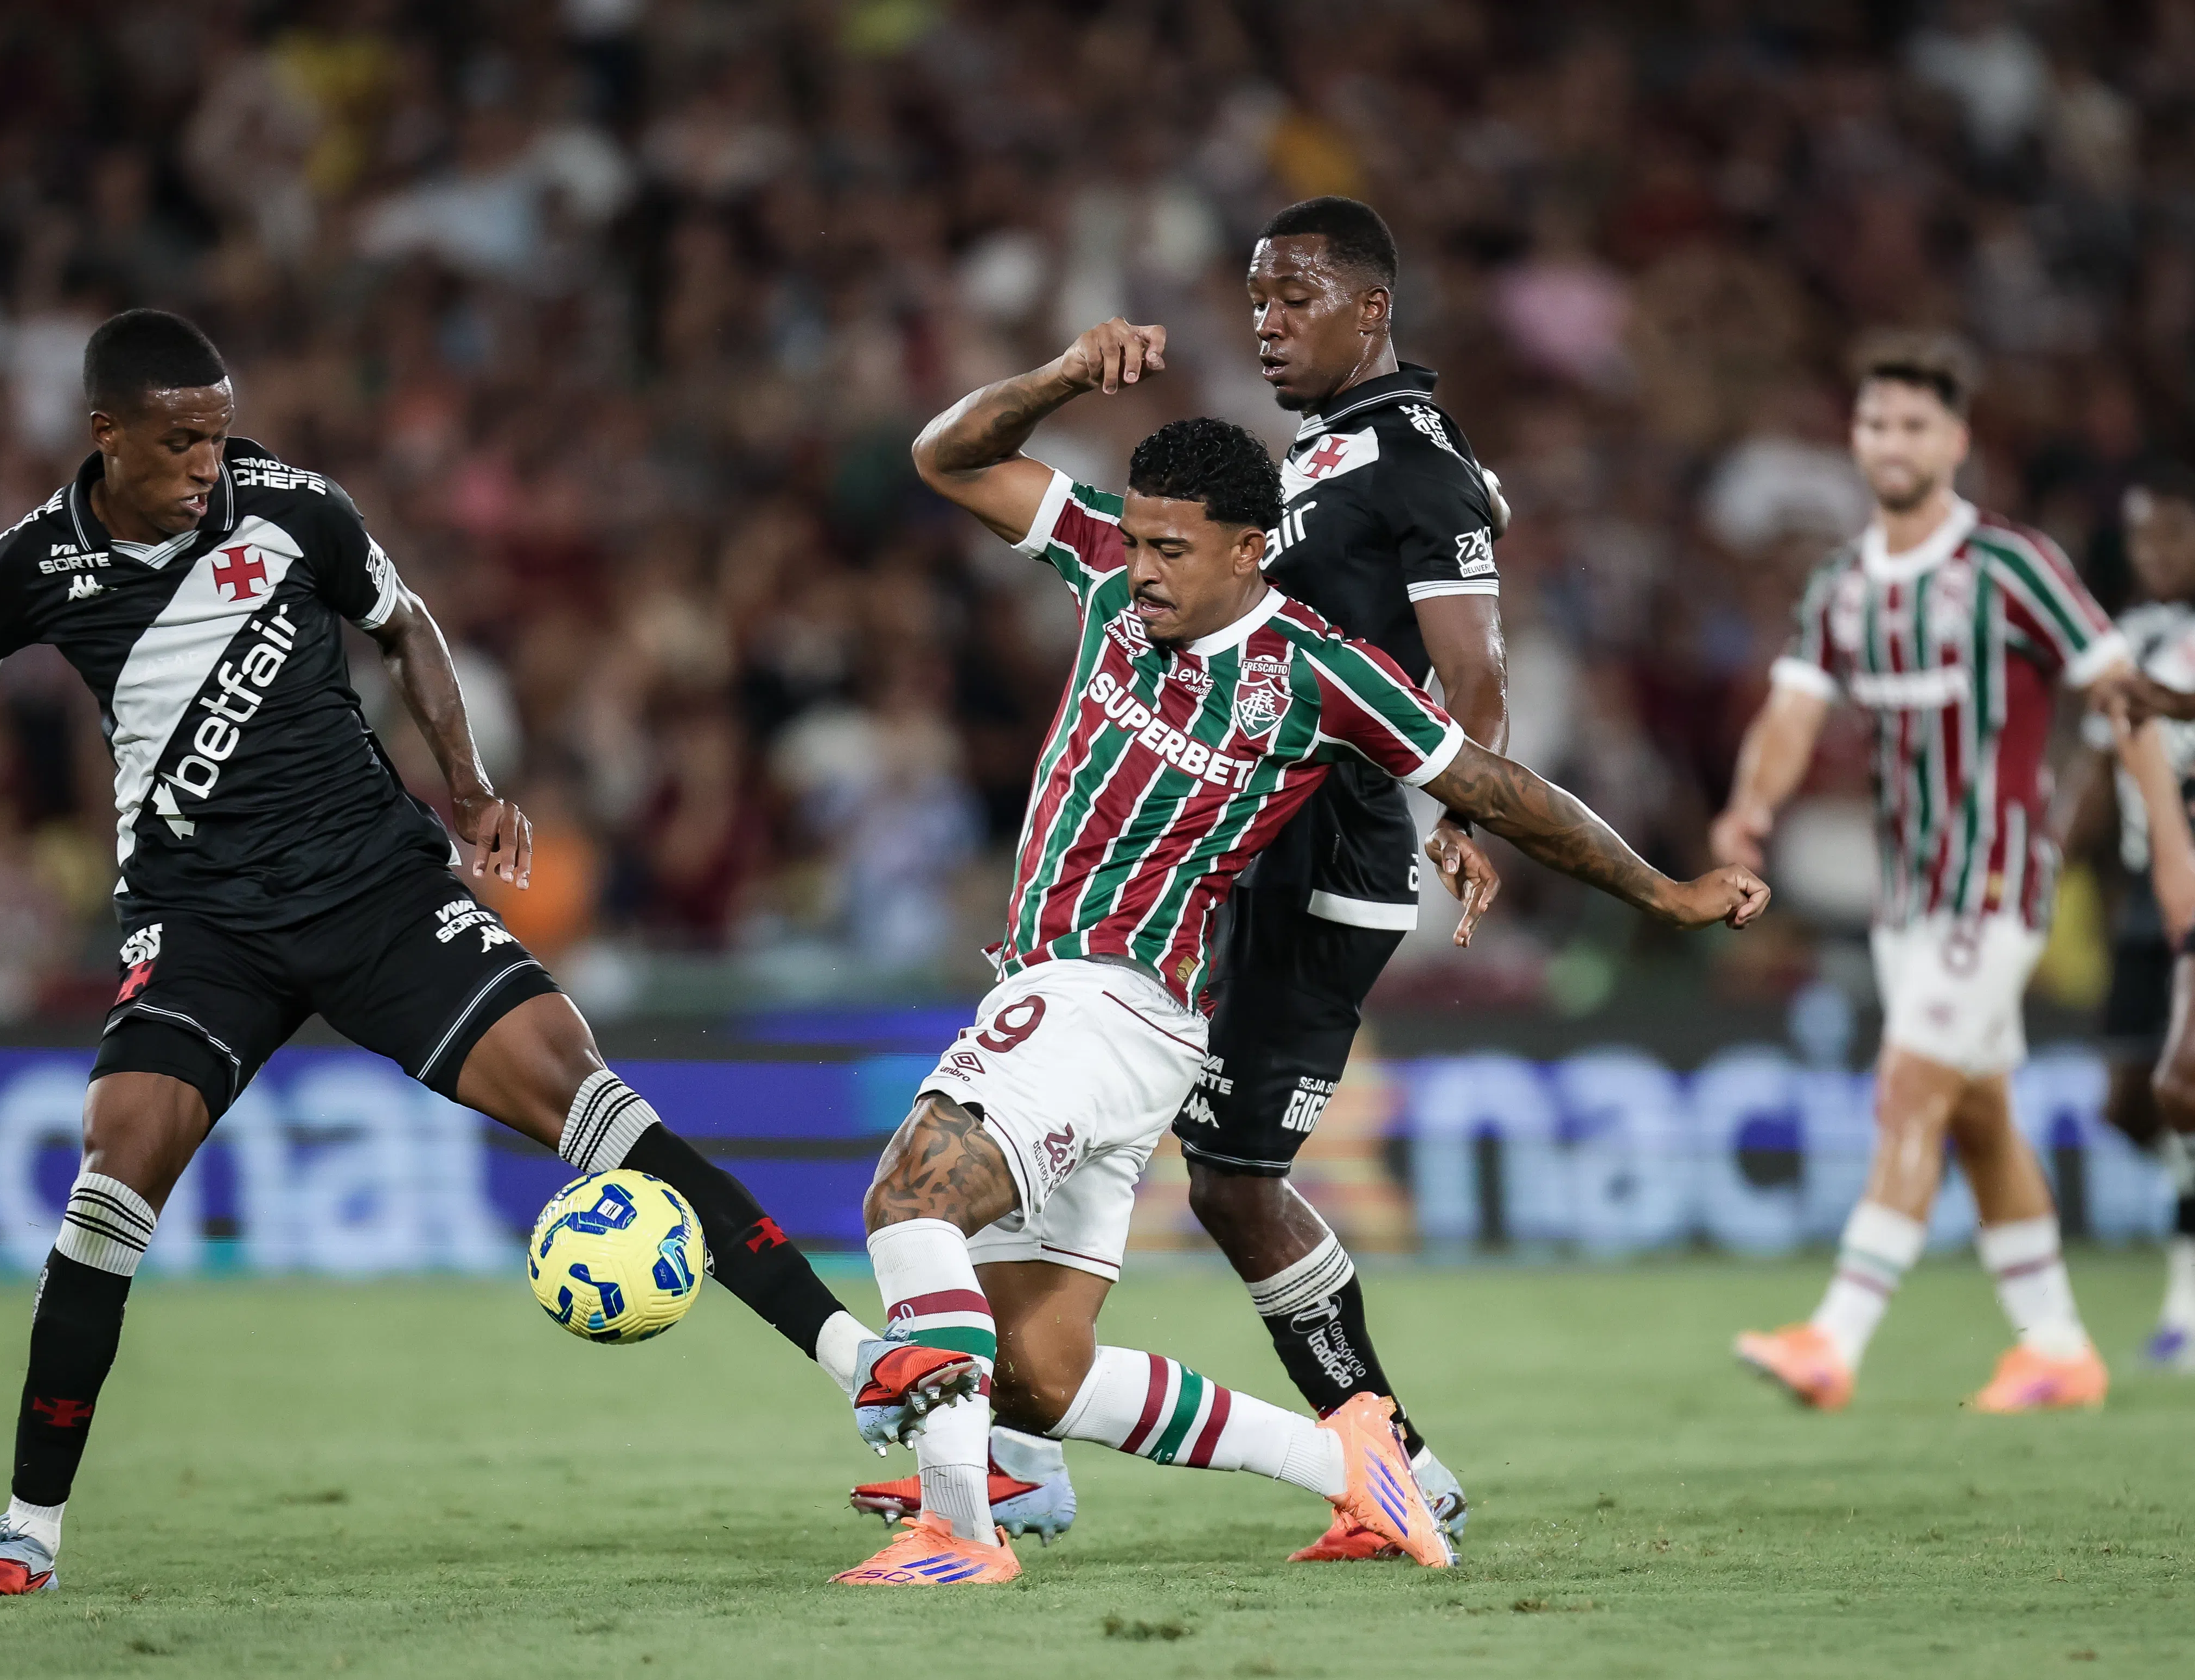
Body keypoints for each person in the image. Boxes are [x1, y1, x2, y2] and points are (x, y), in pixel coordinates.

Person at [0, 310, 943, 1596]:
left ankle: (861, 1367)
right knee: (114, 1173)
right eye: (179, 443)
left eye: (219, 436)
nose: (205, 466)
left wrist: (465, 781)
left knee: (593, 1100)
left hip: (374, 892)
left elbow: (407, 625)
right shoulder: (34, 566)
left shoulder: (294, 509)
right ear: (104, 436)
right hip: (200, 923)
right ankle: (24, 1536)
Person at [834, 321, 1768, 1586]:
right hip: (1118, 1027)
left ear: (1247, 547)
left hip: (1100, 1000)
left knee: (908, 1201)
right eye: (1142, 539)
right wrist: (1059, 379)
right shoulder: (1106, 558)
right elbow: (946, 456)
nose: (1147, 570)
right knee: (1037, 1377)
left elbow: (1503, 788)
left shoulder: (1323, 678)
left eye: (1175, 550)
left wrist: (1662, 892)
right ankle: (1358, 1468)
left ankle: (960, 1530)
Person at [849, 195, 1513, 1560]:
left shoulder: (1412, 460)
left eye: (1295, 299)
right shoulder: (1304, 458)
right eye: (1255, 299)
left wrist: (1473, 804)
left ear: (1372, 308)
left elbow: (1474, 667)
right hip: (1232, 870)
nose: (1265, 323)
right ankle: (1029, 1451)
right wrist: (1061, 376)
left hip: (1325, 863)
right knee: (1098, 1272)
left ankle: (1393, 1463)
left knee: (1230, 1181)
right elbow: (958, 460)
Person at [1719, 331, 2133, 1413]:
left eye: (1913, 424)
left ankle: (1834, 1338)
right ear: (1854, 439)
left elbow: (2115, 692)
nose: (1890, 443)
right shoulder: (1841, 584)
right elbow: (1792, 712)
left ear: (1952, 440)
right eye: (1874, 423)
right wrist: (1750, 809)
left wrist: (2162, 851)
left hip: (1995, 880)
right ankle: (2056, 1346)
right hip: (1903, 894)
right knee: (1977, 1111)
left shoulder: (2012, 565)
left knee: (1907, 1086)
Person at [2079, 465, 2195, 1370]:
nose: (2153, 556)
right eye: (2141, 540)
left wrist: (2172, 703)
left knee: (2180, 1089)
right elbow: (2098, 764)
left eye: (2171, 537)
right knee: (2126, 1105)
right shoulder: (2129, 635)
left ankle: (2184, 1301)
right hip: (2140, 885)